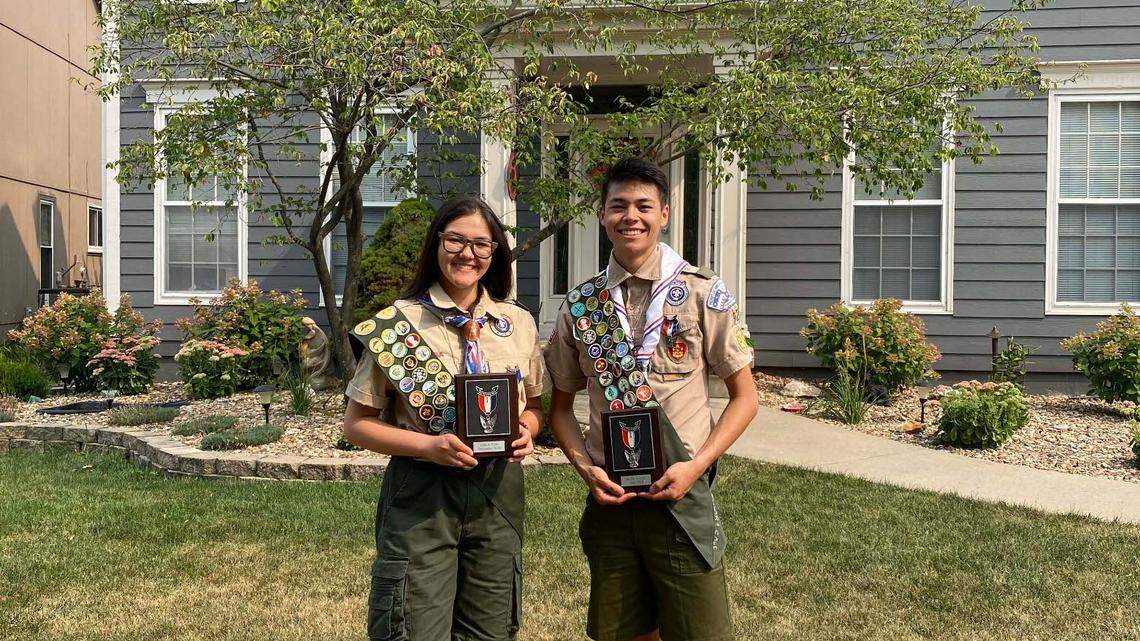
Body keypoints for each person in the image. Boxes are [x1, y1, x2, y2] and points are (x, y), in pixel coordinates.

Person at [544, 158, 759, 641]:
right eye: (618, 205)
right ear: (601, 215)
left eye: (643, 205)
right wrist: (586, 470)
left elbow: (745, 398)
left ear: (664, 213)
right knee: (621, 632)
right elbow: (557, 409)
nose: (630, 216)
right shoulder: (582, 305)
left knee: (700, 630)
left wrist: (696, 466)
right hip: (612, 500)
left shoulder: (702, 292)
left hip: (680, 490)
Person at [343, 196, 547, 641]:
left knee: (490, 630)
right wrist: (428, 447)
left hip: (498, 494)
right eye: (455, 239)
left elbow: (533, 407)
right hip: (422, 493)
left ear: (494, 254)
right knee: (412, 627)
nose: (467, 254)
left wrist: (527, 433)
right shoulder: (399, 324)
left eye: (481, 244)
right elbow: (356, 423)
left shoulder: (518, 322)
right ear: (436, 243)